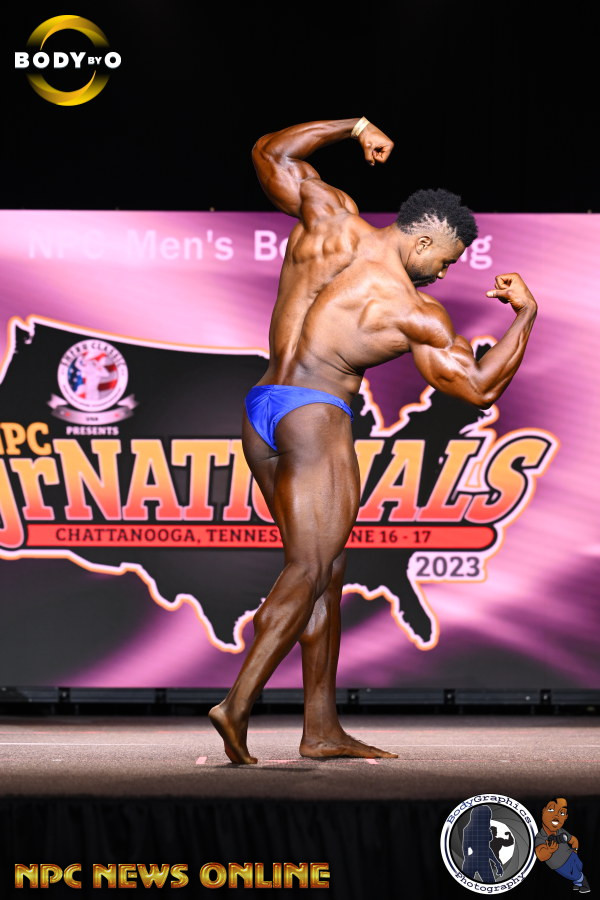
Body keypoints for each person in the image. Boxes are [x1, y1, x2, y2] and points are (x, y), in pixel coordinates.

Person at [209, 117, 537, 764]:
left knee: (325, 569)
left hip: (262, 409)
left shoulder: (329, 218)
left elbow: (268, 152)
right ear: (424, 239)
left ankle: (321, 729)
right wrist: (525, 315)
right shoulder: (412, 309)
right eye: (443, 261)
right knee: (310, 569)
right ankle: (237, 702)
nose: (441, 274)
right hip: (315, 417)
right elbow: (479, 388)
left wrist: (355, 127)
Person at [535, 798, 590, 893]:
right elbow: (540, 856)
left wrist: (575, 851)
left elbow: (573, 840)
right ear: (543, 811)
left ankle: (578, 883)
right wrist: (549, 851)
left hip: (571, 856)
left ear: (566, 817)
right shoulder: (541, 837)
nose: (556, 815)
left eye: (562, 812)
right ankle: (582, 881)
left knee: (578, 868)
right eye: (551, 809)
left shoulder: (561, 831)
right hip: (558, 865)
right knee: (573, 875)